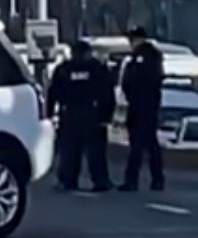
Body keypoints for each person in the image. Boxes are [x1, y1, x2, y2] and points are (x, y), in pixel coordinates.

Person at [46, 39, 115, 192]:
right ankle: (100, 181)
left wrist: (49, 114)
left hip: (70, 113)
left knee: (70, 150)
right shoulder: (97, 68)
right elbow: (107, 94)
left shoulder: (64, 69)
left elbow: (53, 93)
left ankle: (68, 180)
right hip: (92, 113)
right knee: (95, 151)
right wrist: (106, 116)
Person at [119, 26, 166, 192]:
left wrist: (134, 93)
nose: (130, 43)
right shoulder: (136, 57)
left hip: (145, 105)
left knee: (141, 145)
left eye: (132, 39)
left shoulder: (149, 56)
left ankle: (135, 181)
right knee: (144, 144)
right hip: (140, 105)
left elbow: (147, 80)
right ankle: (154, 179)